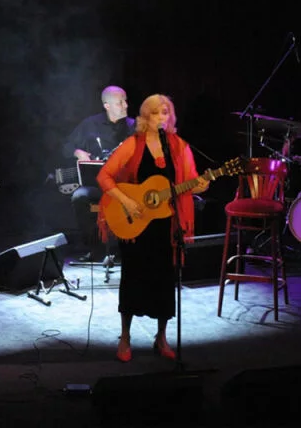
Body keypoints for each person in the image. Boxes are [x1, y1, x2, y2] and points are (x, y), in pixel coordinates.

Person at [96, 94, 209, 362]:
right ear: (146, 117)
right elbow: (104, 176)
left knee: (164, 281)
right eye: (157, 113)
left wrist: (201, 184)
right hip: (135, 224)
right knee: (133, 279)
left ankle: (161, 337)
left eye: (166, 112)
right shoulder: (133, 144)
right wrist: (127, 201)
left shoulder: (179, 147)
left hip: (166, 226)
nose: (162, 118)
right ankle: (125, 337)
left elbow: (190, 182)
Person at [61, 85, 135, 261]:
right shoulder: (90, 124)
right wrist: (78, 152)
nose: (125, 105)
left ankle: (126, 247)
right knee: (80, 197)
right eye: (120, 102)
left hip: (126, 186)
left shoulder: (134, 126)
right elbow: (66, 147)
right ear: (107, 106)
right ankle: (96, 249)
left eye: (125, 101)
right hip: (98, 185)